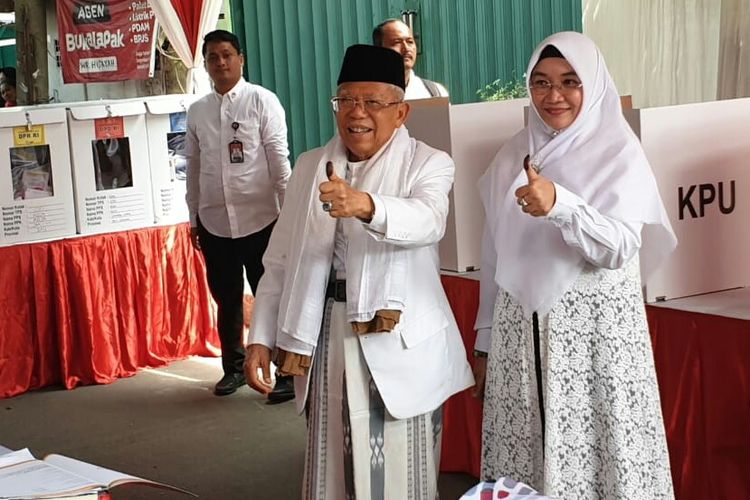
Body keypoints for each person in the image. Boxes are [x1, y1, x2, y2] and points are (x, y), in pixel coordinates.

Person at [245, 44, 473, 499]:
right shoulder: (311, 166)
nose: (357, 113)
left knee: (399, 479)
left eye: (372, 102)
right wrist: (260, 337)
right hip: (326, 331)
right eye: (346, 100)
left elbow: (429, 221)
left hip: (400, 342)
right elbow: (281, 261)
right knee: (332, 470)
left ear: (401, 111)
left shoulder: (429, 162)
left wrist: (366, 206)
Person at [473, 31, 677, 499]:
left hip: (595, 342)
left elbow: (620, 247)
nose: (554, 96)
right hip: (520, 339)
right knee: (526, 454)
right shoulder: (513, 154)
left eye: (569, 81)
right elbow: (493, 255)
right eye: (540, 83)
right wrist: (485, 342)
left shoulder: (618, 153)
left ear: (593, 84)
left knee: (603, 457)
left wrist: (561, 204)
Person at [186, 29, 293, 398]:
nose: (221, 62)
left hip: (263, 218)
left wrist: (289, 214)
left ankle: (285, 373)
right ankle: (232, 367)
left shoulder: (262, 101)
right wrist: (193, 217)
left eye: (227, 55)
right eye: (213, 57)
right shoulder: (198, 110)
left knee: (270, 293)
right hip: (215, 221)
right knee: (226, 296)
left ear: (241, 58)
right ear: (205, 63)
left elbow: (280, 161)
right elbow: (194, 166)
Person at [372, 19, 449, 100]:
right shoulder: (365, 96)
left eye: (410, 42)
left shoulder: (436, 93)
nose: (406, 48)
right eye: (397, 42)